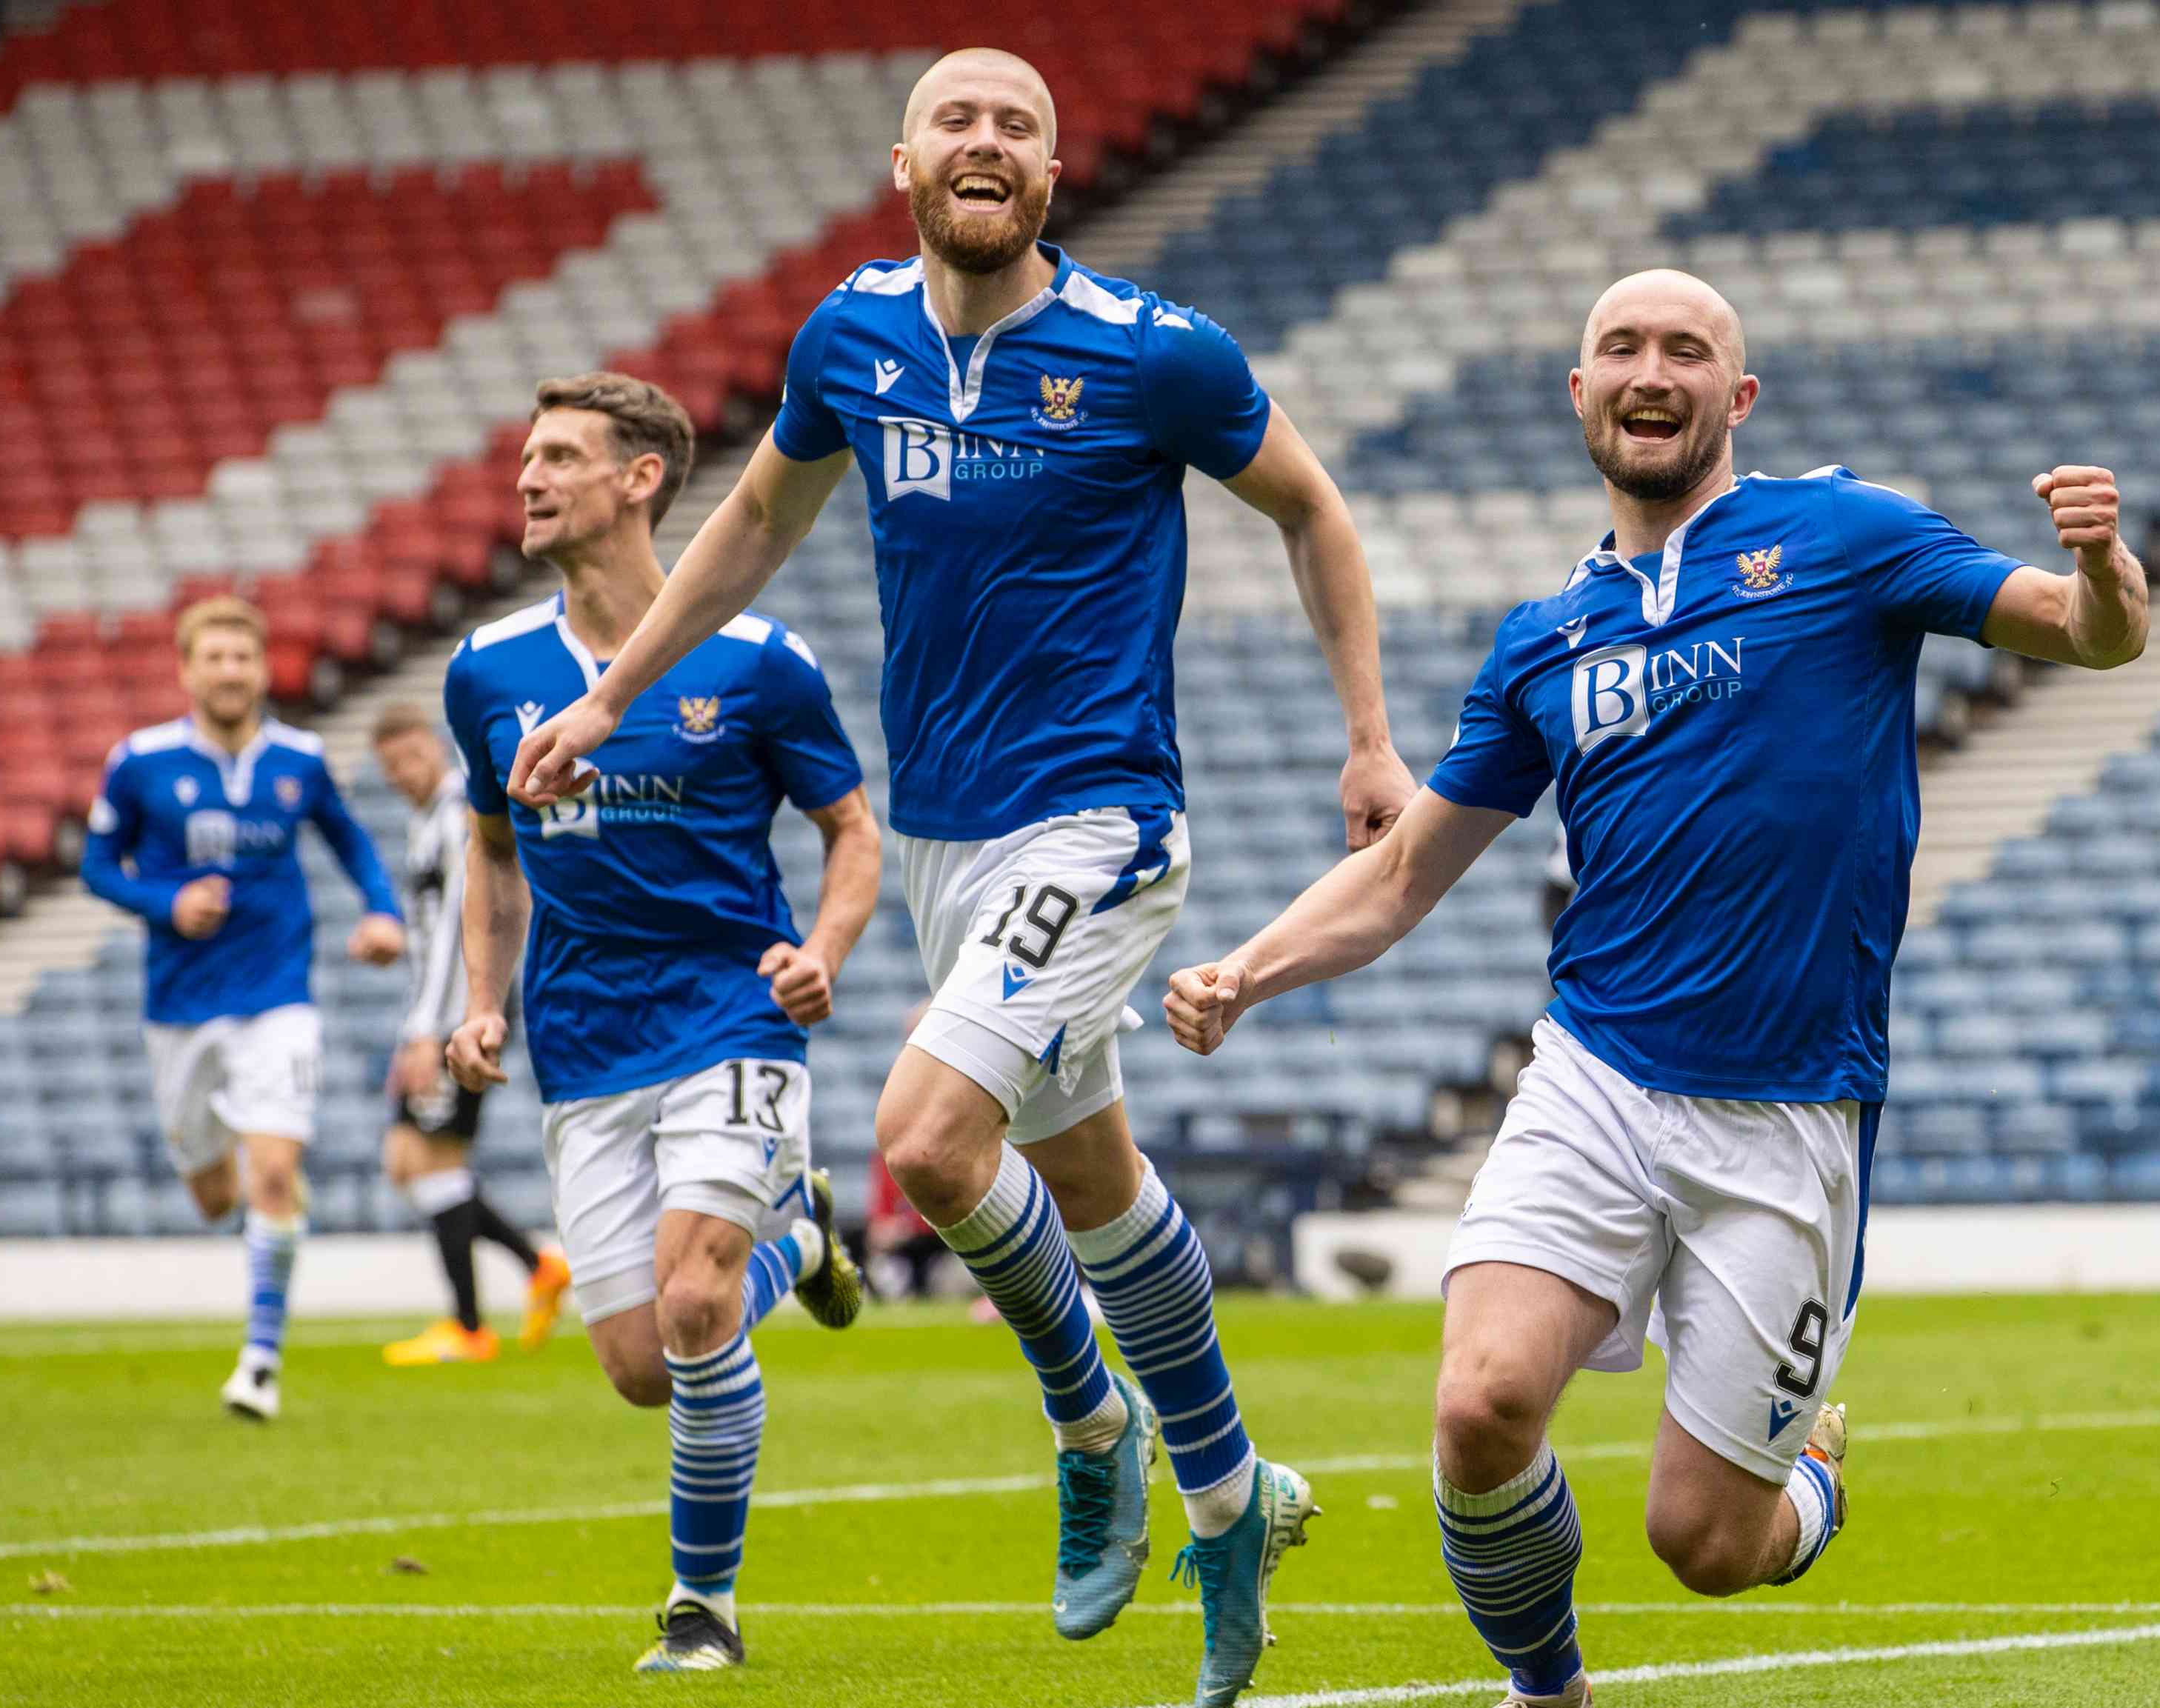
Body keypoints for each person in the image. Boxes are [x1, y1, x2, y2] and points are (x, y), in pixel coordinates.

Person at [503, 49, 1408, 1704]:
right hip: (945, 840)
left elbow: (1314, 511)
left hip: (1102, 818)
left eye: (1022, 127)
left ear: (1051, 180)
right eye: (961, 120)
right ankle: (1230, 1498)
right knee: (1094, 1184)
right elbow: (757, 521)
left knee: (923, 1140)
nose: (988, 142)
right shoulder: (849, 337)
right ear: (905, 161)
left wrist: (1367, 738)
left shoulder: (1153, 355)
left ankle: (1086, 1421)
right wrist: (609, 694)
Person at [1164, 270, 2147, 1708]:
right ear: (1579, 395)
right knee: (1480, 1403)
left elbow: (2084, 631)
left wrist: (2107, 563)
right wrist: (1244, 970)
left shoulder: (1845, 535)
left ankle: (1806, 1474)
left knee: (1705, 1542)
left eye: (1686, 349)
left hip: (1790, 1114)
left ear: (1734, 398)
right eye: (1619, 346)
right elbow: (1398, 876)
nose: (1650, 368)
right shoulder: (1541, 638)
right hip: (1597, 1076)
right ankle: (1546, 1689)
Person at [445, 373, 880, 1672]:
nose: (528, 478)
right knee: (643, 1362)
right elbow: (489, 845)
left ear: (641, 479)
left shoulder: (756, 659)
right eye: (526, 456)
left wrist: (823, 950)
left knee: (694, 1309)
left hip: (730, 1013)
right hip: (583, 1039)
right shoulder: (487, 670)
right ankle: (794, 1250)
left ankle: (703, 1610)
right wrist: (479, 1002)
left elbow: (850, 831)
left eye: (560, 457)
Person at [83, 596, 407, 1422]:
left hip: (277, 996)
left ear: (263, 669)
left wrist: (382, 911)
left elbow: (352, 842)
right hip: (181, 1006)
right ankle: (271, 1225)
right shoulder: (140, 761)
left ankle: (259, 1360)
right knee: (212, 1192)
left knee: (272, 1169)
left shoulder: (298, 759)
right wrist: (167, 903)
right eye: (215, 657)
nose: (230, 671)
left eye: (243, 657)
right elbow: (96, 865)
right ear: (187, 669)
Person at [367, 700, 570, 1366]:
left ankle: (470, 1326)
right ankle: (537, 1265)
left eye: (411, 756)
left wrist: (431, 1031)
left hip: (463, 1011)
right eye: (390, 766)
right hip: (431, 1011)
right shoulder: (423, 822)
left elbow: (467, 927)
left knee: (434, 1162)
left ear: (432, 746)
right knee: (408, 1161)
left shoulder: (459, 814)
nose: (403, 772)